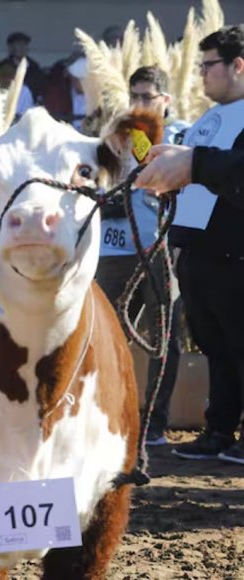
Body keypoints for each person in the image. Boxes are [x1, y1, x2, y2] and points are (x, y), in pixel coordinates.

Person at [135, 25, 244, 465]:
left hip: (236, 252)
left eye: (209, 66)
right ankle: (219, 428)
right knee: (215, 345)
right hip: (198, 250)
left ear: (238, 66)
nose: (201, 75)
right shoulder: (207, 118)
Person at [96, 66, 189, 447]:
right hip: (115, 245)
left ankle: (154, 420)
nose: (138, 104)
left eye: (147, 97)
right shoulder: (117, 133)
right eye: (134, 95)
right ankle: (107, 414)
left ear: (165, 100)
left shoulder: (183, 134)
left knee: (162, 335)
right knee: (106, 332)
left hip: (161, 246)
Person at [0, 31, 46, 102]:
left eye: (25, 44)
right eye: (19, 44)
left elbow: (41, 87)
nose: (22, 48)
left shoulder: (34, 66)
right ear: (11, 47)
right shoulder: (2, 66)